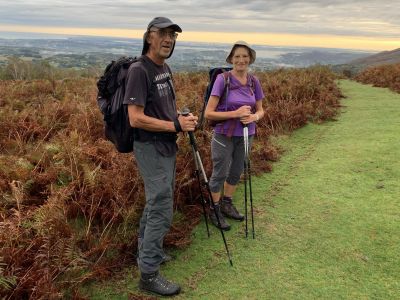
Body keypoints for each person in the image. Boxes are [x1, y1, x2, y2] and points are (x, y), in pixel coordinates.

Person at [123, 17, 197, 297]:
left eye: (173, 35)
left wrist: (180, 118)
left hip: (165, 145)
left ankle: (145, 254)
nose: (169, 39)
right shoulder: (139, 70)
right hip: (150, 147)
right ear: (149, 37)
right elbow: (135, 119)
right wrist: (175, 126)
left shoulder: (163, 68)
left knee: (156, 202)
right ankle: (149, 275)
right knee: (162, 208)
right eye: (163, 34)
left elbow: (163, 109)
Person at [204, 41, 265, 231]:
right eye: (237, 56)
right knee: (219, 173)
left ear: (250, 59)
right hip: (224, 135)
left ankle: (227, 203)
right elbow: (208, 113)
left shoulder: (254, 81)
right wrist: (236, 114)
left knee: (237, 170)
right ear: (231, 59)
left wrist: (254, 116)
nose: (241, 60)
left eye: (245, 56)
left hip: (247, 134)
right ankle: (214, 209)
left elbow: (261, 110)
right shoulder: (223, 80)